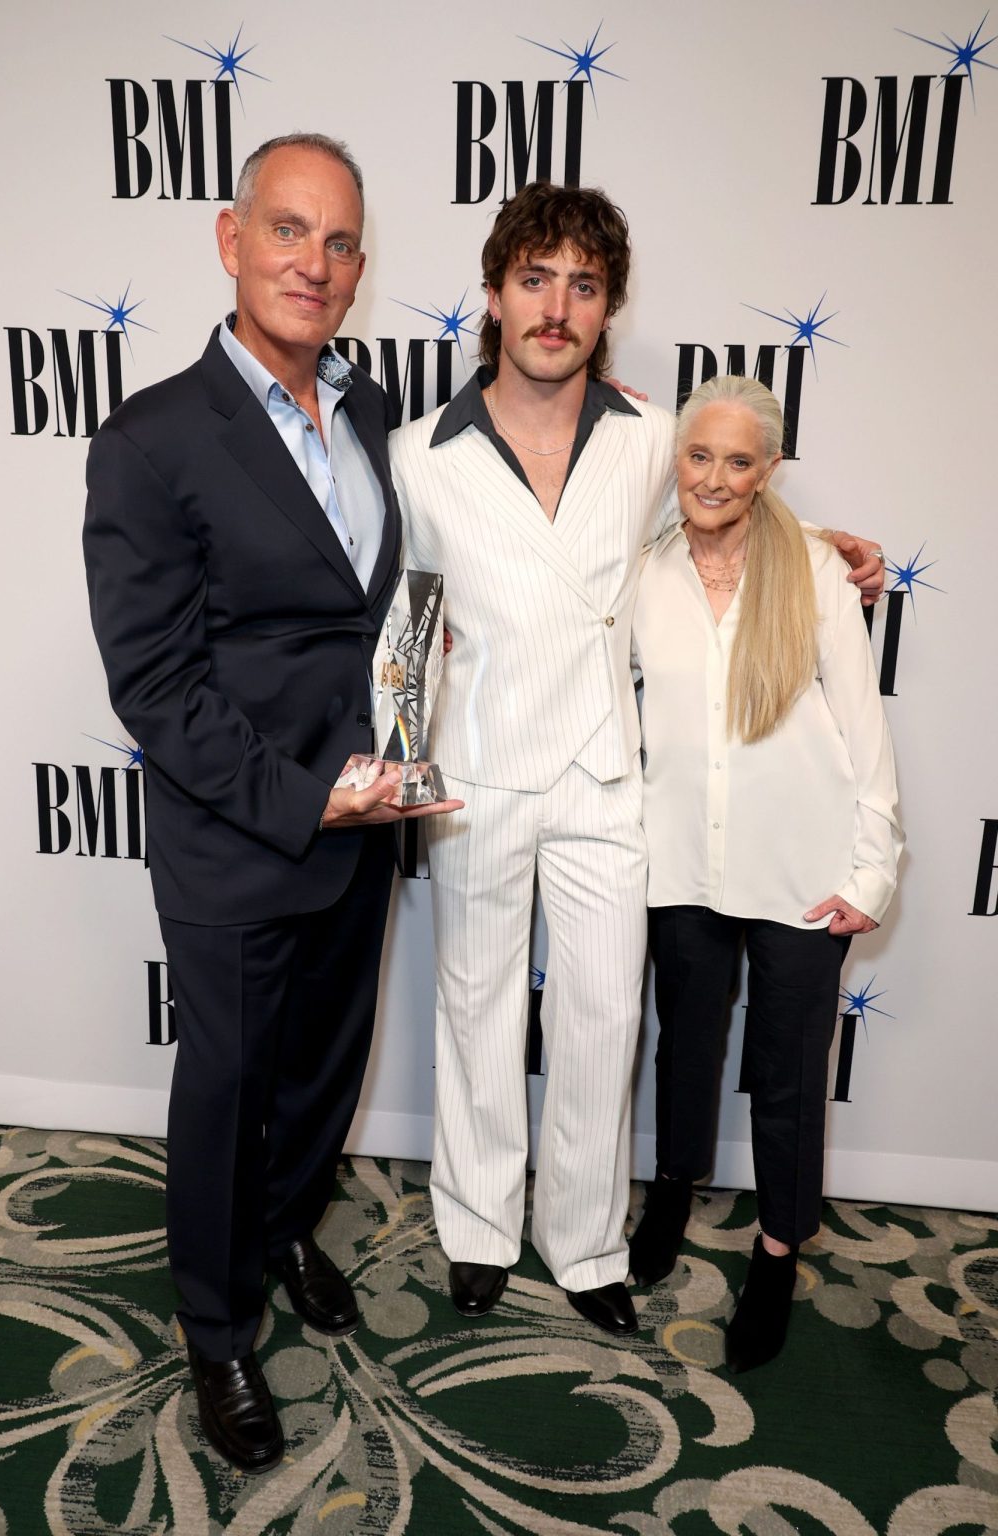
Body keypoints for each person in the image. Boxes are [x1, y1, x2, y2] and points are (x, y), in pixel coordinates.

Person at [389, 181, 887, 1338]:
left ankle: (583, 1242)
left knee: (607, 1017)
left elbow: (733, 507)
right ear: (495, 291)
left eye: (583, 284)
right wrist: (410, 769)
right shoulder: (421, 454)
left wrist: (828, 548)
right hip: (477, 774)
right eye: (535, 279)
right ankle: (474, 1224)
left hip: (612, 773)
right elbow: (407, 626)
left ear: (606, 305)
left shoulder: (651, 436)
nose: (556, 306)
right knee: (474, 1008)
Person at [82, 133, 458, 1474]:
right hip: (242, 836)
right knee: (229, 1088)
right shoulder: (151, 439)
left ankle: (292, 1223)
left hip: (364, 831)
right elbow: (158, 688)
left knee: (322, 1074)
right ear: (230, 239)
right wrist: (306, 800)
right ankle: (217, 1330)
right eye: (289, 230)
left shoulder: (362, 411)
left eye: (341, 241)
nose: (316, 261)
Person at [628, 374, 903, 1372]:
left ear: (767, 472)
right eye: (697, 454)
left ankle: (779, 1250)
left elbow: (863, 728)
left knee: (788, 1071)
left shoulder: (816, 576)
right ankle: (668, 1192)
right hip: (681, 861)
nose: (711, 476)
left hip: (801, 867)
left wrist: (871, 874)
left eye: (737, 460)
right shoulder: (642, 571)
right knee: (685, 1045)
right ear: (674, 456)